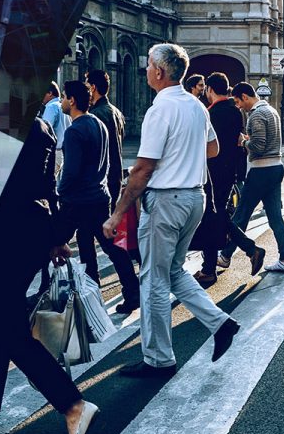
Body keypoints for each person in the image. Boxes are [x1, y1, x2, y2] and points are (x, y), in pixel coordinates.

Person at [0, 108, 99, 434]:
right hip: (32, 232)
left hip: (2, 236)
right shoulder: (40, 125)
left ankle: (72, 405)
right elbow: (46, 186)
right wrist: (53, 236)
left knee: (9, 329)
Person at [103, 43, 241, 377]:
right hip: (194, 198)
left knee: (152, 280)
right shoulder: (196, 107)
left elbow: (142, 169)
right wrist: (183, 156)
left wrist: (118, 213)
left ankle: (158, 358)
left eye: (148, 64)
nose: (146, 69)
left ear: (159, 72)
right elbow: (213, 149)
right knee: (174, 271)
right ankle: (220, 323)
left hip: (166, 201)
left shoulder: (160, 110)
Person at [78, 70, 141, 314]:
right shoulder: (114, 111)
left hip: (97, 185)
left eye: (87, 84)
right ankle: (92, 292)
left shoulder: (95, 115)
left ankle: (126, 290)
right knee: (89, 239)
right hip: (111, 181)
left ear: (93, 87)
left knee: (108, 241)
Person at [195, 73, 264, 286]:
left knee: (213, 217)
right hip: (229, 172)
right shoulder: (236, 112)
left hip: (212, 174)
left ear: (210, 90)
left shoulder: (210, 113)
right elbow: (238, 143)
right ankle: (214, 265)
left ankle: (214, 267)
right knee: (217, 217)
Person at [232, 82, 284, 273]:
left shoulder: (257, 114)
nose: (239, 106)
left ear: (245, 96)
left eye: (238, 101)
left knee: (241, 215)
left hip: (261, 170)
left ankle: (225, 256)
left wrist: (244, 141)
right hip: (276, 167)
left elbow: (258, 146)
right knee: (275, 217)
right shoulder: (271, 110)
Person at [38, 81, 68, 147]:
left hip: (57, 150)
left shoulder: (51, 107)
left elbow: (44, 132)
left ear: (50, 93)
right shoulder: (63, 106)